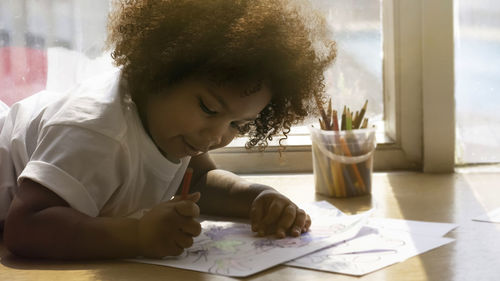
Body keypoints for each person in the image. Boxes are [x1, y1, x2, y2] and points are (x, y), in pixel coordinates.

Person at [0, 0, 336, 259]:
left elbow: (201, 181)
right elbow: (25, 226)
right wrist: (137, 235)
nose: (216, 136)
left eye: (238, 124)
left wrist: (259, 198)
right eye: (208, 108)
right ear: (160, 69)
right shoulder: (97, 131)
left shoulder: (173, 128)